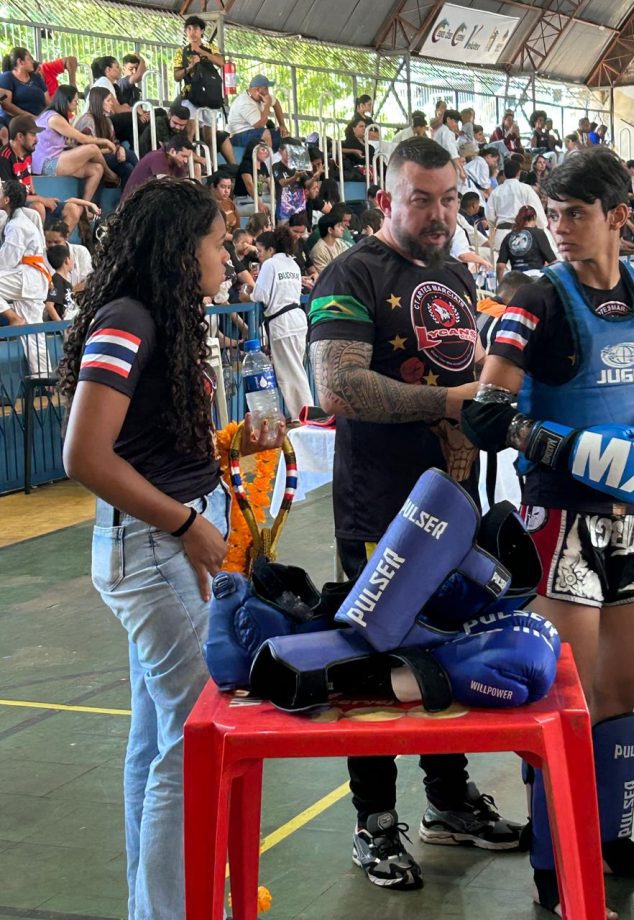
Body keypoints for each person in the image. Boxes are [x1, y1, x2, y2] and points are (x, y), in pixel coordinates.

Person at [461, 148, 634, 918]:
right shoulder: (537, 298)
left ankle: (612, 844)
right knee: (569, 702)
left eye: (576, 214)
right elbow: (485, 416)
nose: (560, 227)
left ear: (618, 216)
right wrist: (568, 448)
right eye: (554, 213)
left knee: (623, 690)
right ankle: (557, 871)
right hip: (561, 521)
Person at [58, 177, 284, 920]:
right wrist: (189, 526)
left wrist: (227, 446)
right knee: (193, 743)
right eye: (217, 243)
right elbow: (85, 454)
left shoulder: (155, 316)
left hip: (164, 539)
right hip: (157, 549)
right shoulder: (128, 318)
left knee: (160, 739)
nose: (227, 256)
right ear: (181, 251)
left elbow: (146, 443)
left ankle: (153, 906)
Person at [307, 136, 521, 891]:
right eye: (421, 199)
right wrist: (450, 403)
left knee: (447, 653)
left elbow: (464, 373)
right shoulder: (351, 273)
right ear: (385, 198)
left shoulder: (455, 270)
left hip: (454, 505)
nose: (439, 214)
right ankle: (374, 821)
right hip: (381, 514)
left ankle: (448, 800)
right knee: (375, 665)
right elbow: (339, 388)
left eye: (450, 199)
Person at [239, 225, 312, 417]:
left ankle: (306, 417)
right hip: (297, 319)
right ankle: (305, 415)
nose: (259, 256)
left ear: (271, 250)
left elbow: (260, 296)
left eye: (260, 251)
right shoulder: (293, 264)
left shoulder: (270, 264)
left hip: (282, 322)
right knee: (296, 370)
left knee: (290, 375)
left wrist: (247, 295)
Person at [0, 114, 97, 231]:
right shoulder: (4, 158)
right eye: (33, 134)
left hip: (30, 200)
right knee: (38, 207)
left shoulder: (27, 152)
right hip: (14, 206)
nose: (37, 139)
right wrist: (42, 200)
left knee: (73, 210)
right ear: (20, 137)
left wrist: (37, 196)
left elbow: (28, 179)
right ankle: (39, 242)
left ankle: (56, 242)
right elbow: (9, 197)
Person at [0, 179, 52, 371]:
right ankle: (45, 379)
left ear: (6, 199)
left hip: (28, 277)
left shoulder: (17, 225)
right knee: (34, 337)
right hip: (32, 281)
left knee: (33, 333)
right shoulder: (15, 220)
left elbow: (7, 261)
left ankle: (12, 317)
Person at [33, 85, 118, 195]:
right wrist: (105, 141)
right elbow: (82, 138)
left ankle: (85, 205)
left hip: (56, 158)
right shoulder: (54, 118)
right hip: (47, 164)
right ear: (66, 101)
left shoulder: (55, 116)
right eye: (75, 101)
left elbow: (68, 142)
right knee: (92, 148)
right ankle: (110, 175)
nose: (76, 104)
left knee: (97, 169)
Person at [74, 87, 139, 184]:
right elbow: (85, 149)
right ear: (99, 102)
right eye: (108, 101)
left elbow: (114, 141)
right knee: (130, 154)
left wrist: (120, 148)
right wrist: (114, 149)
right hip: (90, 159)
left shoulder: (107, 120)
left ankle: (131, 193)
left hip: (107, 155)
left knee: (127, 168)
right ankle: (148, 184)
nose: (112, 103)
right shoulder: (87, 120)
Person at [486, 157, 548, 253]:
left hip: (501, 235)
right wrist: (542, 228)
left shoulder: (496, 192)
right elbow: (537, 212)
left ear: (504, 174)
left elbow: (490, 216)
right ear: (519, 173)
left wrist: (492, 232)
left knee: (503, 261)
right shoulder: (526, 189)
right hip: (521, 235)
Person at [172, 16, 225, 129]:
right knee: (190, 127)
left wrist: (201, 51)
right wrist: (189, 67)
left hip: (210, 95)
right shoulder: (181, 52)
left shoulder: (211, 47)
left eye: (195, 29)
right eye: (189, 29)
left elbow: (221, 62)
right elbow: (176, 76)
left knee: (210, 132)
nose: (192, 32)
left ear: (202, 31)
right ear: (185, 31)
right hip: (191, 95)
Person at [496, 205, 557, 281]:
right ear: (534, 217)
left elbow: (500, 265)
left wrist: (500, 283)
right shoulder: (539, 233)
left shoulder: (509, 236)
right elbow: (552, 261)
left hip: (516, 279)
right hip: (536, 277)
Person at [227, 74, 288, 150]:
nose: (268, 91)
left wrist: (282, 125)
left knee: (282, 134)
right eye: (266, 88)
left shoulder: (263, 97)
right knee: (265, 133)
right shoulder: (244, 102)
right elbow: (259, 125)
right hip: (238, 136)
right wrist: (267, 105)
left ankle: (276, 157)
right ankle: (267, 157)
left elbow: (276, 103)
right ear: (258, 90)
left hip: (255, 132)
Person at [122, 134, 193, 199]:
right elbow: (166, 186)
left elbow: (184, 187)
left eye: (187, 157)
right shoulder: (157, 157)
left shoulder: (178, 163)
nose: (186, 161)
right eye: (183, 156)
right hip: (133, 203)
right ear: (172, 151)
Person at [0, 48, 49, 131]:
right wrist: (32, 118)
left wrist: (50, 117)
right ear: (20, 62)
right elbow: (7, 106)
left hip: (41, 122)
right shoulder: (7, 77)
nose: (32, 61)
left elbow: (48, 102)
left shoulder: (36, 78)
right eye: (29, 59)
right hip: (18, 124)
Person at [45, 218, 94, 291]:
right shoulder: (41, 255)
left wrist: (70, 293)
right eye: (49, 242)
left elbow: (87, 280)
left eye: (57, 242)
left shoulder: (81, 251)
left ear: (66, 238)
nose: (52, 245)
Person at [233, 139, 272, 215]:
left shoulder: (263, 165)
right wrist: (259, 204)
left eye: (266, 150)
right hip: (243, 200)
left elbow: (270, 182)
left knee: (281, 204)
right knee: (270, 208)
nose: (266, 152)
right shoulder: (246, 164)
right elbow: (249, 185)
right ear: (254, 150)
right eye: (263, 149)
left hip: (258, 197)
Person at [273, 140, 307, 222]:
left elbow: (307, 183)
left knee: (300, 227)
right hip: (284, 205)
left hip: (299, 204)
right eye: (287, 151)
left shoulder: (298, 166)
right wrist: (295, 177)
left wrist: (315, 177)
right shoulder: (276, 166)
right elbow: (282, 182)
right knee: (284, 228)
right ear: (280, 151)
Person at [44, 244, 75, 320]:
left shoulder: (65, 283)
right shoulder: (56, 280)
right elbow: (49, 306)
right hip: (59, 326)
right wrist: (61, 325)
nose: (73, 261)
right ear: (67, 260)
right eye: (72, 258)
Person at [209, 169, 239, 238]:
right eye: (223, 187)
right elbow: (214, 233)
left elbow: (237, 226)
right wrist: (234, 239)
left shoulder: (230, 202)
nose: (226, 191)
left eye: (229, 187)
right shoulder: (207, 205)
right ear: (213, 187)